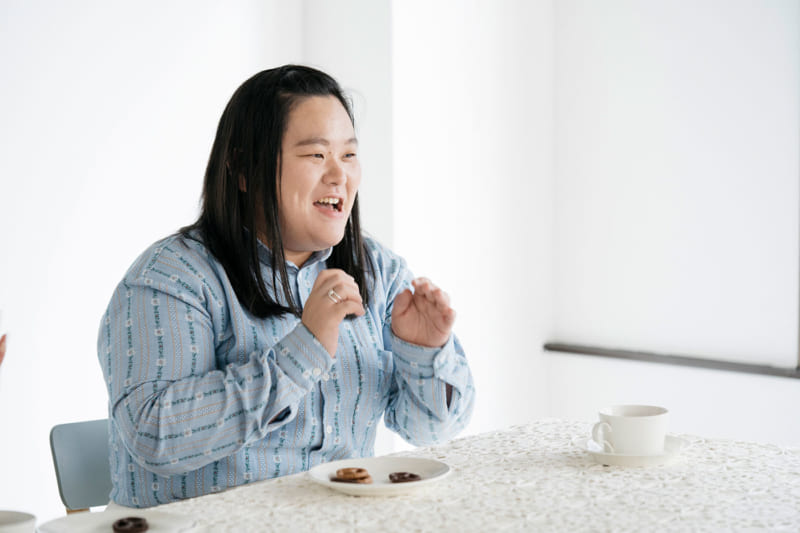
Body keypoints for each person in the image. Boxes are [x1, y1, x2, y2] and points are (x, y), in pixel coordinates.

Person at [97, 65, 475, 508]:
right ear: (243, 169)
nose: (339, 176)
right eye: (316, 155)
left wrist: (424, 354)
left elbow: (432, 430)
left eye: (349, 155)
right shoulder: (171, 276)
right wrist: (304, 351)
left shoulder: (378, 270)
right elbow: (154, 436)